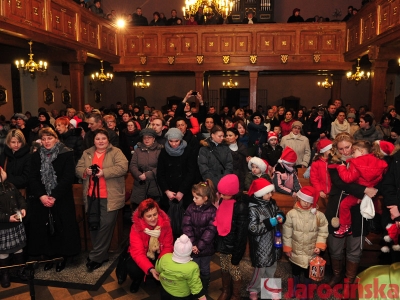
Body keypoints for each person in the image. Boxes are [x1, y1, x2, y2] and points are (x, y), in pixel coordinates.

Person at [325, 133, 378, 287]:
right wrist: (364, 190)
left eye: (347, 147)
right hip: (336, 207)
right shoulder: (333, 160)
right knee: (335, 246)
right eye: (341, 149)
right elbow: (341, 182)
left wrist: (368, 190)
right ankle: (336, 275)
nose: (345, 151)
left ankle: (349, 280)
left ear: (353, 146)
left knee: (355, 248)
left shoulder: (364, 159)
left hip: (357, 209)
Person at [28, 128, 80, 272]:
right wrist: (42, 196)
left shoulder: (66, 153)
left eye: (49, 138)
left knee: (61, 227)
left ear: (56, 138)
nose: (46, 142)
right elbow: (32, 178)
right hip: (42, 198)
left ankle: (62, 257)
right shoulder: (36, 155)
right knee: (45, 228)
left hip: (61, 197)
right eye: (43, 139)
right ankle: (50, 257)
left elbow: (68, 177)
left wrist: (54, 196)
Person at [76, 128, 128, 271]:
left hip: (109, 196)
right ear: (93, 140)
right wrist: (85, 171)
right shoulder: (87, 153)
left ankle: (95, 256)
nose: (100, 141)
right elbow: (78, 168)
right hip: (92, 195)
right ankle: (100, 255)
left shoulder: (116, 152)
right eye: (97, 139)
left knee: (106, 224)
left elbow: (123, 167)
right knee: (94, 224)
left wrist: (104, 172)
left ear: (108, 140)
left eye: (103, 139)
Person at [329, 140, 388, 237]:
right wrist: (367, 190)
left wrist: (341, 168)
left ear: (361, 151)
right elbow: (380, 179)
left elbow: (348, 178)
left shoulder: (356, 163)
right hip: (369, 192)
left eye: (352, 151)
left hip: (358, 194)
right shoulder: (378, 161)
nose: (351, 154)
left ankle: (345, 226)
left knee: (344, 205)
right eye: (341, 149)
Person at [283, 186, 328, 298]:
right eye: (303, 200)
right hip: (296, 251)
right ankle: (295, 287)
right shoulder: (291, 214)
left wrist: (319, 245)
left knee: (308, 272)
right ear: (299, 198)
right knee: (296, 271)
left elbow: (323, 231)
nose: (306, 204)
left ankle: (307, 289)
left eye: (309, 201)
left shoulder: (318, 215)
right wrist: (287, 247)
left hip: (311, 251)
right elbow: (286, 233)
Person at [247, 178, 286, 300]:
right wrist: (269, 222)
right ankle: (253, 288)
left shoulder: (272, 203)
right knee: (261, 269)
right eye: (268, 193)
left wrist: (280, 216)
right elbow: (253, 228)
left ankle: (269, 288)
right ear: (260, 193)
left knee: (272, 267)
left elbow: (279, 212)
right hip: (261, 245)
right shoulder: (253, 208)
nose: (271, 195)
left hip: (273, 241)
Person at [213, 174, 249, 300]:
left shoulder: (240, 206)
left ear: (233, 192)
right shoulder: (223, 200)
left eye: (223, 194)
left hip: (234, 246)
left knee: (234, 270)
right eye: (220, 193)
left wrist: (238, 253)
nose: (220, 196)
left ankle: (236, 294)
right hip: (223, 243)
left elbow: (241, 234)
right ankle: (226, 291)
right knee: (224, 267)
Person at [128, 199, 173, 293]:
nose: (153, 218)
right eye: (149, 216)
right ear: (142, 217)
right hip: (143, 254)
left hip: (159, 253)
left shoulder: (165, 225)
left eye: (155, 214)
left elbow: (168, 247)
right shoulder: (136, 228)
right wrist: (151, 269)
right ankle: (137, 279)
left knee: (169, 264)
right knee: (133, 269)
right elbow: (138, 253)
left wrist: (160, 265)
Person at [157, 128, 195, 237]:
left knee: (185, 224)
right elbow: (160, 173)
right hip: (168, 192)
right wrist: (166, 191)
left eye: (176, 141)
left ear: (181, 140)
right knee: (168, 224)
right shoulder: (164, 152)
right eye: (171, 141)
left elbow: (191, 173)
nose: (174, 144)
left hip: (184, 192)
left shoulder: (188, 151)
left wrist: (182, 191)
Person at [182, 180, 217, 294]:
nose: (193, 200)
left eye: (196, 197)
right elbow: (186, 225)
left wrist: (200, 246)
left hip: (205, 247)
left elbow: (211, 230)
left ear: (205, 198)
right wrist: (192, 244)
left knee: (205, 268)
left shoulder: (212, 211)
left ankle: (204, 288)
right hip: (193, 246)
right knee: (194, 267)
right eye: (193, 197)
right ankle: (195, 288)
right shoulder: (190, 208)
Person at [155, 234, 206, 300]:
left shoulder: (164, 257)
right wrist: (202, 297)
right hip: (182, 295)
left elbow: (157, 269)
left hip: (165, 290)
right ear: (190, 251)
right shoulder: (193, 267)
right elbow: (195, 284)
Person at [0, 167, 27, 288]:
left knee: (18, 247)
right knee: (3, 251)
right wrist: (7, 218)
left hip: (16, 224)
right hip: (3, 226)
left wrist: (23, 208)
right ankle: (4, 274)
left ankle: (21, 270)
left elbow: (20, 198)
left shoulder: (10, 185)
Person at [129, 128, 163, 209]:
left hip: (154, 184)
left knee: (153, 209)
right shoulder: (138, 150)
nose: (146, 140)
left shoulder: (159, 150)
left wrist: (148, 175)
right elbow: (132, 165)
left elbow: (161, 167)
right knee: (140, 211)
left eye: (149, 137)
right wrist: (139, 175)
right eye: (144, 138)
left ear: (154, 138)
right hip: (140, 184)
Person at [0, 129, 31, 193]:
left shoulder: (28, 156)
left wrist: (6, 178)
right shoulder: (4, 155)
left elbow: (26, 179)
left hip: (20, 193)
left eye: (19, 142)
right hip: (5, 193)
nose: (16, 145)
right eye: (13, 142)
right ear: (8, 142)